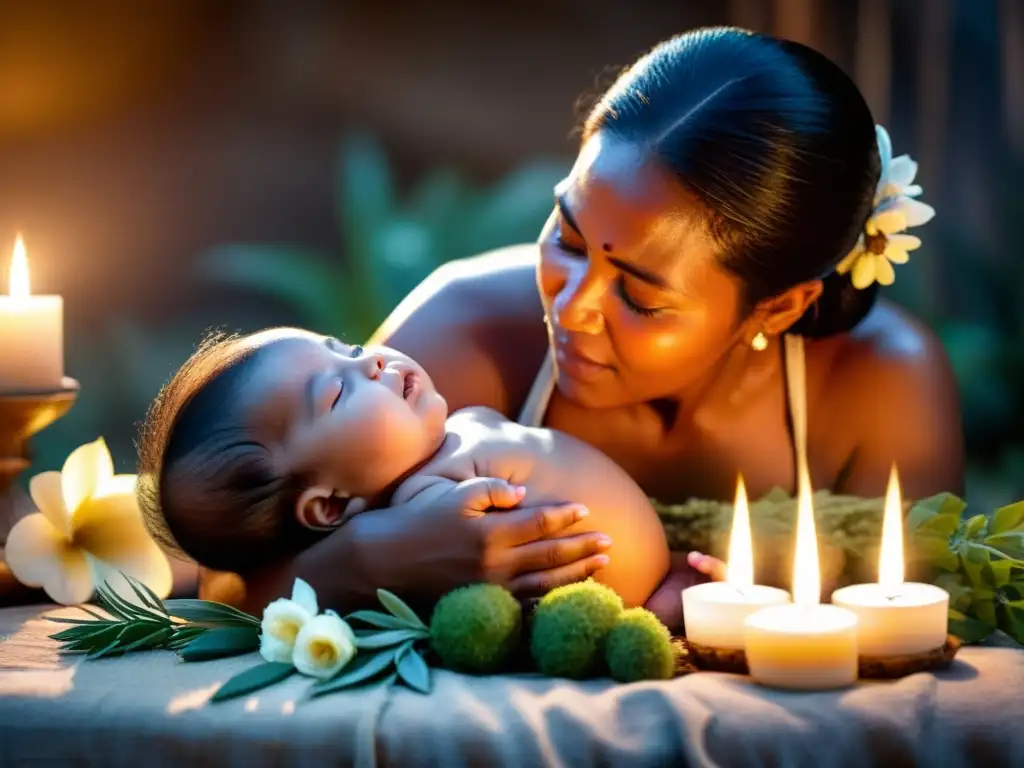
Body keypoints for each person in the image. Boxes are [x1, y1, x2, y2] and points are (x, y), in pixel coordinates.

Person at [175, 27, 964, 629]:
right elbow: (227, 578)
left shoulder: (876, 385)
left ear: (779, 307)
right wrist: (375, 559)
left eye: (643, 298)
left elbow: (924, 623)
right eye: (570, 236)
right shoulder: (469, 333)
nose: (572, 306)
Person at [138, 329, 673, 609]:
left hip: (660, 585)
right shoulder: (426, 505)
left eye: (344, 348)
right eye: (338, 392)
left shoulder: (455, 427)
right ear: (328, 504)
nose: (368, 360)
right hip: (601, 607)